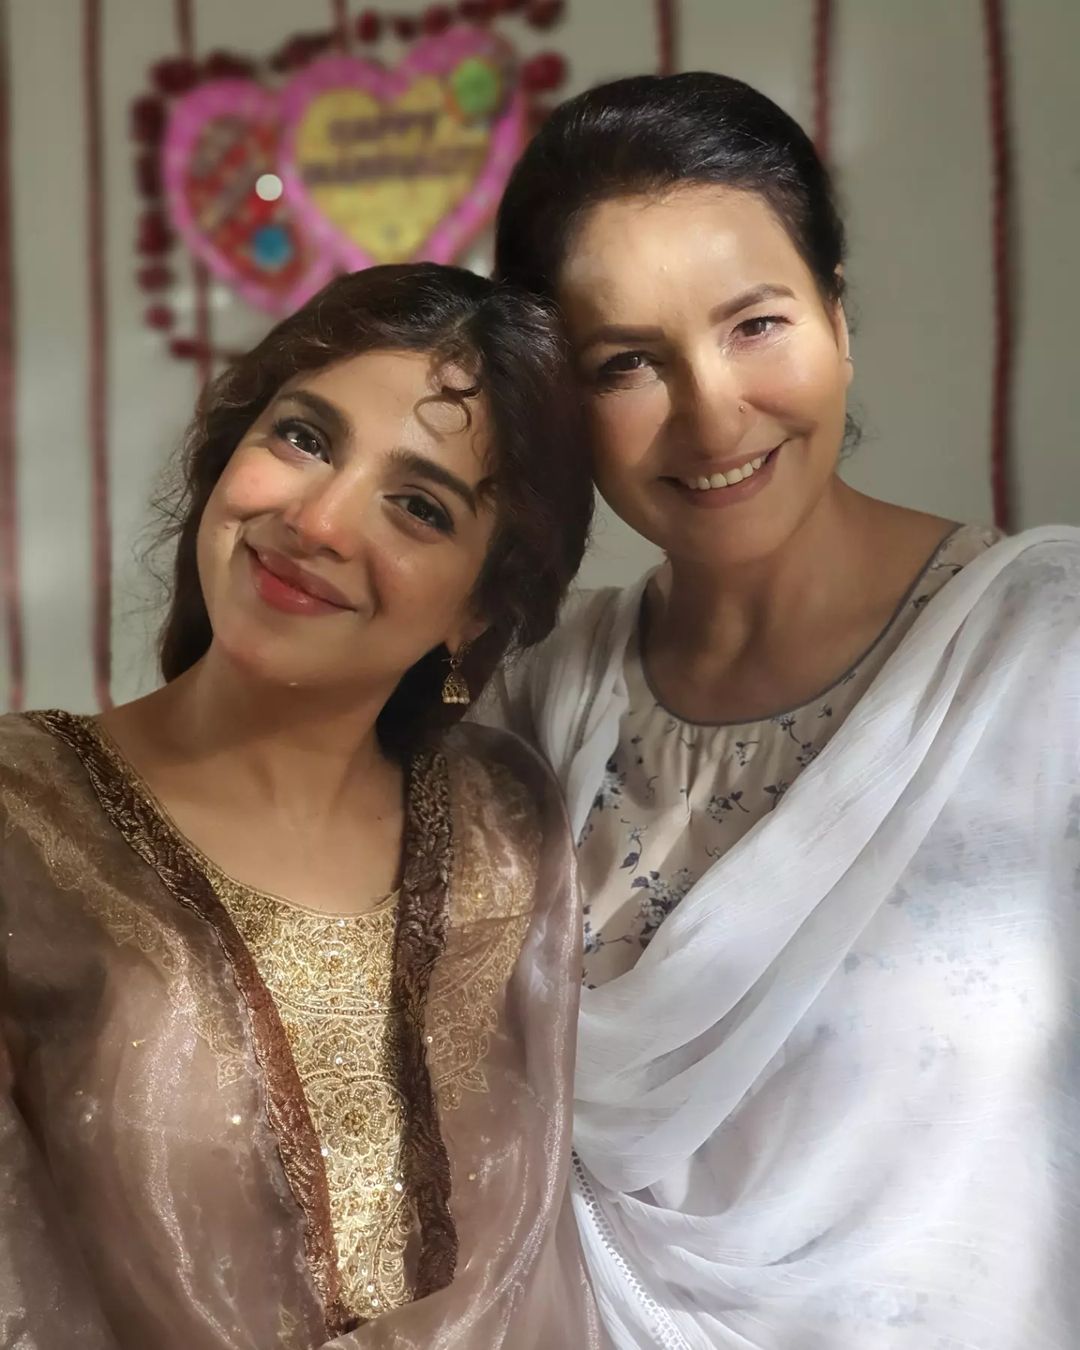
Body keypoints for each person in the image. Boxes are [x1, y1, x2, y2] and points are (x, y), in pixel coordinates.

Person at [487, 72, 1080, 1349]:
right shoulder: (541, 703)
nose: (713, 415)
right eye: (627, 363)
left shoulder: (1048, 653)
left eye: (755, 324)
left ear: (838, 319)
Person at [0, 264, 607, 1349]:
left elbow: (542, 1274)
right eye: (304, 438)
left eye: (418, 506)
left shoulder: (508, 829)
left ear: (478, 611)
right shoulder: (19, 821)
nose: (319, 520)